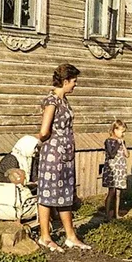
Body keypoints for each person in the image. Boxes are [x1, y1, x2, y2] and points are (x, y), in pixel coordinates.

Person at [36, 63, 90, 252]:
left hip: (65, 155)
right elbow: (44, 131)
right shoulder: (52, 101)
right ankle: (45, 237)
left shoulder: (64, 100)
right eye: (74, 81)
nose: (75, 84)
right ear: (65, 81)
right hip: (53, 156)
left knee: (65, 194)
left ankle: (71, 236)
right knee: (48, 193)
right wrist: (47, 142)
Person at [103, 119, 129, 220]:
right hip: (112, 170)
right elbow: (111, 154)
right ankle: (107, 214)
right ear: (115, 130)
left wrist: (123, 144)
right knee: (111, 192)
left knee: (118, 193)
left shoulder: (122, 142)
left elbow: (127, 155)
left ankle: (116, 214)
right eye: (122, 131)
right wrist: (118, 144)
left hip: (120, 169)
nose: (123, 134)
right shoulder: (108, 141)